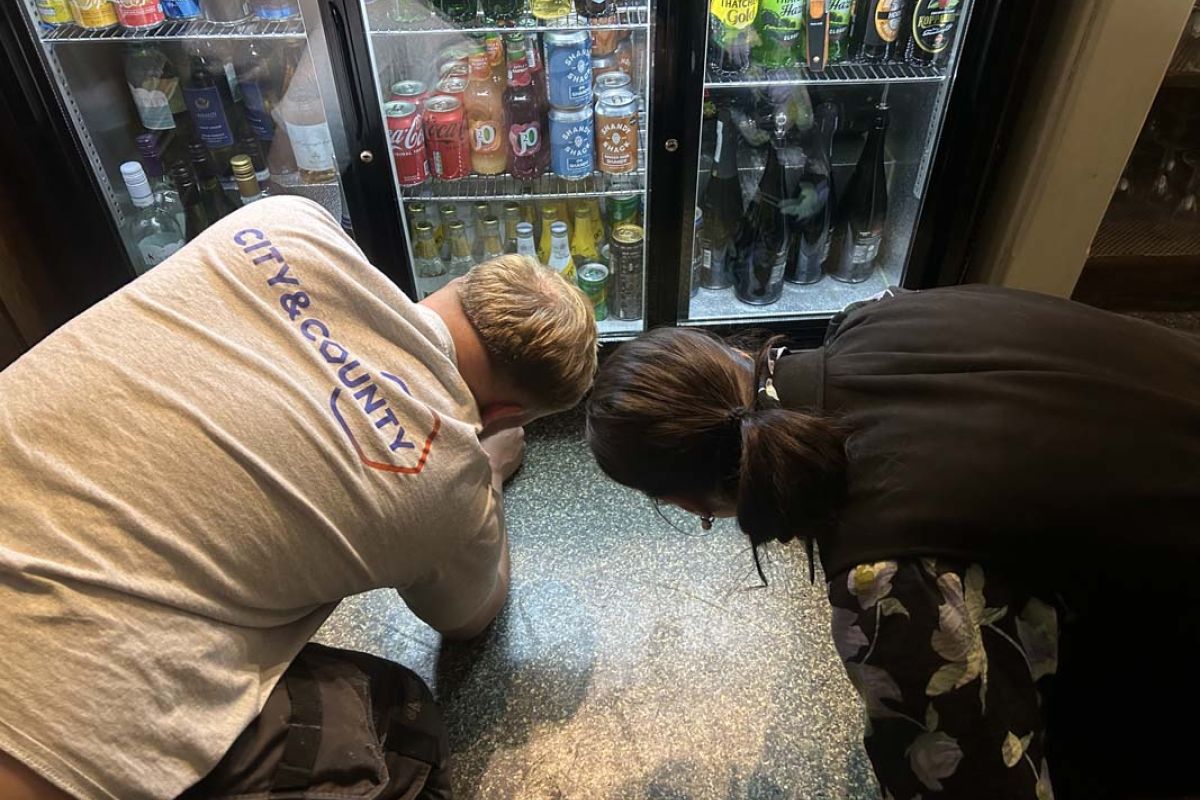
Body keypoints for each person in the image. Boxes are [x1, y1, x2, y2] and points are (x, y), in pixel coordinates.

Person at [0, 195, 597, 800]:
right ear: (504, 414)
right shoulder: (447, 484)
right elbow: (471, 616)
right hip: (51, 740)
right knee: (394, 728)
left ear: (454, 287)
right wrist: (487, 475)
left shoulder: (284, 222)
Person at [585, 286, 1200, 800]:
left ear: (689, 505)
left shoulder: (883, 587)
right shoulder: (877, 313)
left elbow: (981, 778)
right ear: (730, 352)